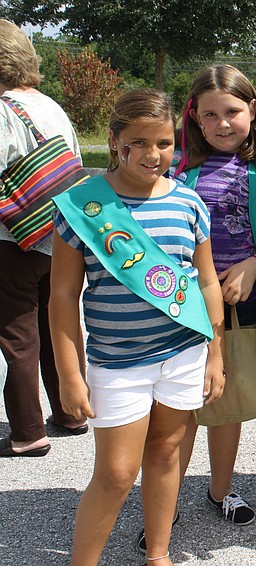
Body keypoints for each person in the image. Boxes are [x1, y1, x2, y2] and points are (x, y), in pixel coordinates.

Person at [50, 88, 225, 566]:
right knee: (116, 472)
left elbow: (206, 281)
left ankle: (158, 555)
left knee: (168, 453)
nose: (153, 155)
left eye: (164, 144)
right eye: (139, 143)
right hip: (117, 358)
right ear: (114, 141)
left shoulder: (188, 202)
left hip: (184, 351)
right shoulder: (80, 207)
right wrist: (70, 373)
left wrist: (216, 353)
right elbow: (63, 296)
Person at [135, 64, 256, 550]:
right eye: (210, 114)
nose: (222, 124)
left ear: (253, 110)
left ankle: (221, 489)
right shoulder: (178, 168)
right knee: (179, 408)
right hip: (184, 305)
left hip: (248, 303)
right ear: (193, 118)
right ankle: (166, 505)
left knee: (229, 401)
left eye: (234, 112)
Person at [0, 19, 85, 458]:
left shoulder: (2, 110)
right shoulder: (50, 105)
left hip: (11, 239)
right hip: (61, 234)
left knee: (17, 332)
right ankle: (72, 410)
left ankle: (28, 432)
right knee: (59, 323)